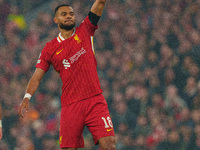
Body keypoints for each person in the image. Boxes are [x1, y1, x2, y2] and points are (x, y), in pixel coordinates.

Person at [18, 0, 116, 150]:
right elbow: (37, 76)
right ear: (56, 20)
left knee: (109, 145)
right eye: (64, 14)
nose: (69, 16)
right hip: (71, 105)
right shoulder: (50, 48)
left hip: (95, 100)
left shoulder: (85, 30)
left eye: (71, 14)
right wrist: (27, 97)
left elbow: (99, 4)